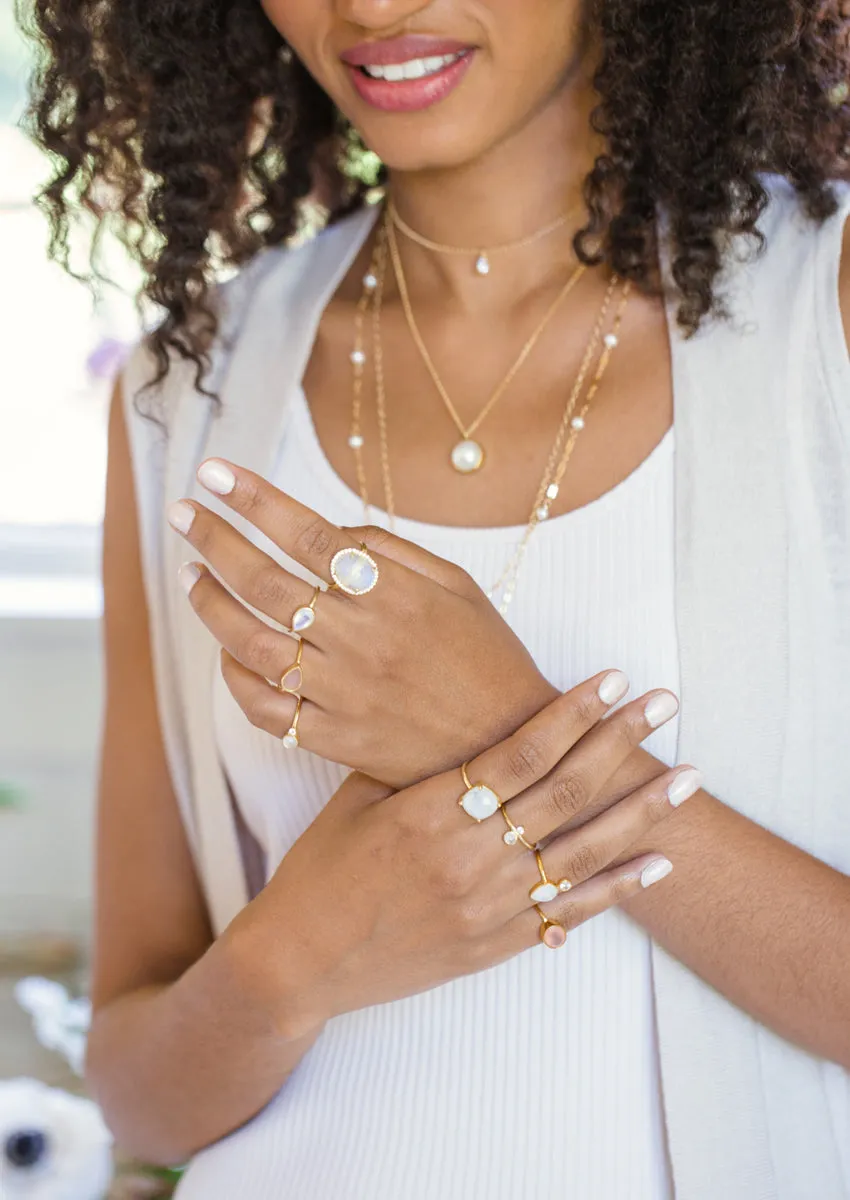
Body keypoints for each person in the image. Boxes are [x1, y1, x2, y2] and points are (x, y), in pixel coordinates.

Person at [24, 1, 850, 1197]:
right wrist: (300, 951)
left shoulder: (819, 320)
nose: (367, 5)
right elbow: (140, 1094)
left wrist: (490, 730)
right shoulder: (188, 389)